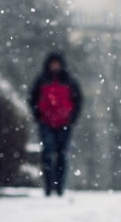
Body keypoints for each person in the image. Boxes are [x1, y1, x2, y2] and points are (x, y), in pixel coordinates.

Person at [29, 52, 82, 197]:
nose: (55, 66)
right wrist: (38, 116)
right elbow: (33, 98)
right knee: (47, 153)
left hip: (64, 123)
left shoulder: (69, 81)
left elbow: (78, 101)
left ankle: (59, 187)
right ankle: (48, 186)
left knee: (61, 155)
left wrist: (72, 118)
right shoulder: (41, 80)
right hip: (46, 122)